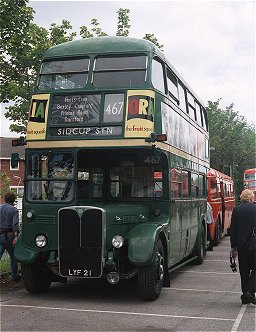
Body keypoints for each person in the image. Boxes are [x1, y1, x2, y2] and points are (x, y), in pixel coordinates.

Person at [230, 189, 256, 305]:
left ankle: (245, 295)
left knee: (244, 271)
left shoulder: (237, 210)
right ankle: (250, 291)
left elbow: (233, 230)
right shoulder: (255, 209)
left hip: (241, 247)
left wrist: (233, 247)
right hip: (254, 245)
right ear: (250, 197)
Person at [0, 191, 21, 281]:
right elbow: (15, 225)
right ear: (14, 200)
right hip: (9, 236)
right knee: (13, 256)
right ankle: (14, 275)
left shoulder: (0, 208)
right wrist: (16, 236)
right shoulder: (14, 210)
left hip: (0, 235)